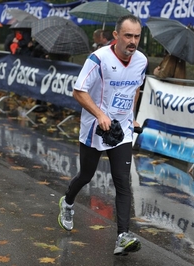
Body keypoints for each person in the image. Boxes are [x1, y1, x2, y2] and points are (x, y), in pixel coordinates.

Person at [58, 14, 147, 256]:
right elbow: (78, 91)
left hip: (123, 129)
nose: (133, 41)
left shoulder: (141, 60)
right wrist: (99, 114)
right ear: (116, 36)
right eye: (128, 36)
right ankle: (67, 202)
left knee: (122, 180)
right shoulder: (98, 59)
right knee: (86, 175)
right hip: (95, 127)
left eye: (137, 36)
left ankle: (122, 236)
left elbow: (135, 88)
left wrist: (132, 114)